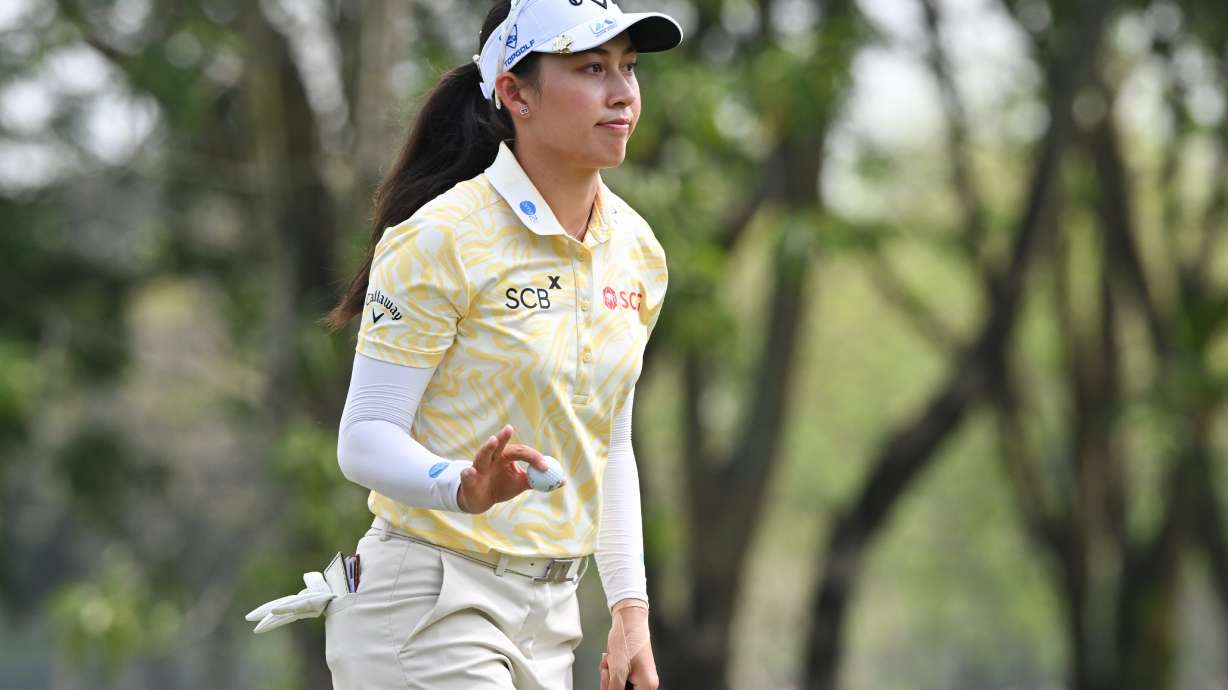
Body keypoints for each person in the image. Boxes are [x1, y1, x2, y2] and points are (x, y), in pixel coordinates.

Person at [245, 1, 683, 688]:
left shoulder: (637, 252)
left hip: (551, 619)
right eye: (592, 68)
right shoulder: (441, 238)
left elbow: (610, 442)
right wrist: (461, 485)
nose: (622, 92)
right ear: (515, 92)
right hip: (427, 602)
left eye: (628, 68)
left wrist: (630, 607)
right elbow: (364, 437)